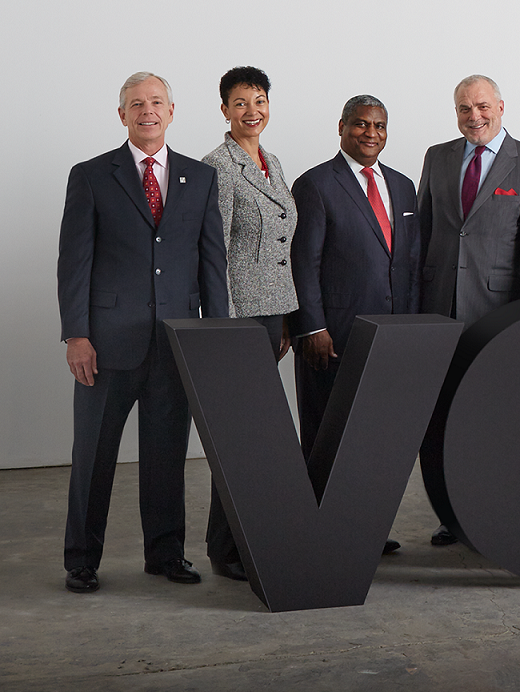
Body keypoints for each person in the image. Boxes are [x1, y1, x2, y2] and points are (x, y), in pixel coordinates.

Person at [57, 72, 230, 593]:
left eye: (156, 102)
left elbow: (211, 264)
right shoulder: (90, 176)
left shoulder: (199, 178)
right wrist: (76, 335)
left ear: (172, 112)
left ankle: (166, 554)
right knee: (94, 455)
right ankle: (81, 559)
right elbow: (74, 263)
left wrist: (215, 337)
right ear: (122, 115)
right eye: (137, 104)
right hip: (106, 344)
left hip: (175, 341)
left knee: (165, 455)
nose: (147, 110)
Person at [416, 75, 520, 546]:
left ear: (500, 106)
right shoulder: (438, 156)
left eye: (480, 106)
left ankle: (489, 510)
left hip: (496, 314)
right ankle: (448, 515)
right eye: (462, 108)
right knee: (440, 415)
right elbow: (423, 233)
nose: (473, 116)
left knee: (489, 418)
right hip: (437, 309)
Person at [289, 94, 418, 558]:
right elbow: (303, 264)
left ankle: (364, 527)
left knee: (374, 439)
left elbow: (409, 263)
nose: (371, 134)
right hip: (334, 337)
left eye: (379, 126)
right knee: (327, 435)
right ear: (341, 127)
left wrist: (412, 333)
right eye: (361, 125)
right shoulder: (315, 185)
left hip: (389, 337)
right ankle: (319, 530)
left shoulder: (403, 187)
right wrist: (311, 328)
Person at [199, 66, 299, 580]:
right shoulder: (215, 167)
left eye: (259, 100)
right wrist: (224, 325)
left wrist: (282, 318)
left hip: (270, 316)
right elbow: (211, 252)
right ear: (224, 110)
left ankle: (250, 536)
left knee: (260, 434)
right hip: (238, 318)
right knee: (238, 433)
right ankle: (224, 548)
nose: (251, 111)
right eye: (240, 103)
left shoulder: (272, 161)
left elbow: (279, 249)